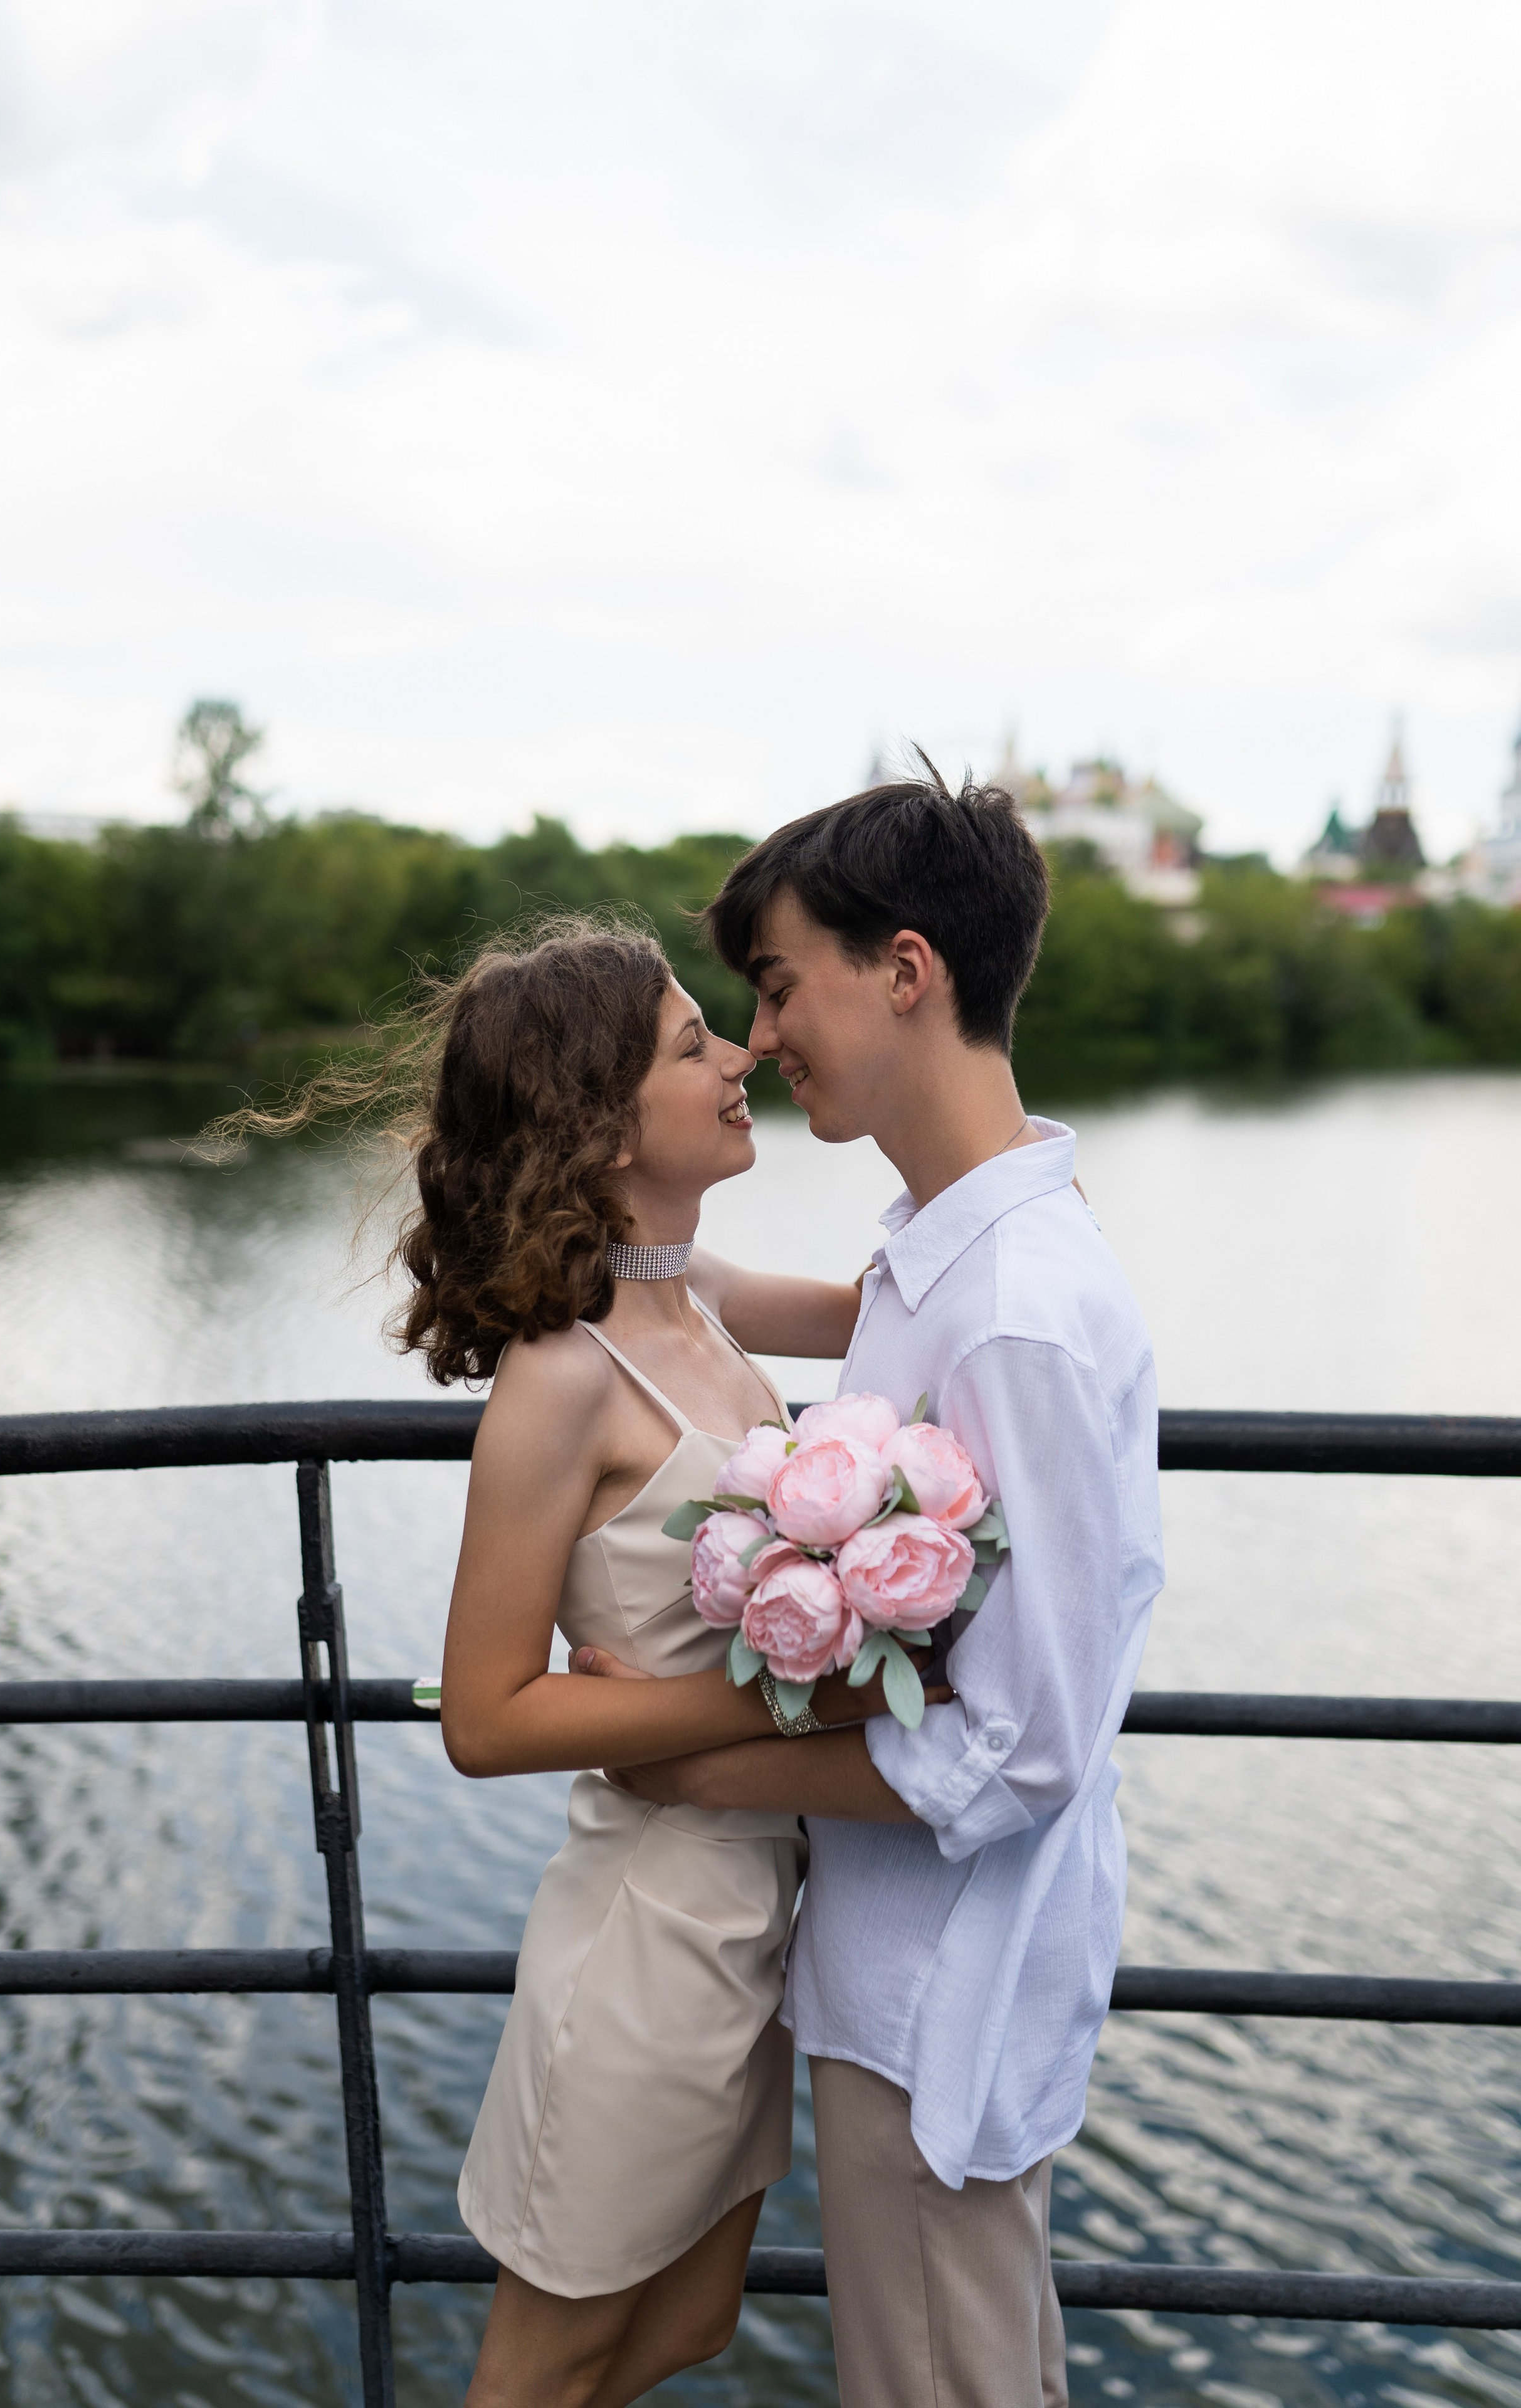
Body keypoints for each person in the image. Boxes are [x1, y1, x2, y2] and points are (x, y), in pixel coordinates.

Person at [270, 921, 934, 2408]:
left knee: (692, 2321)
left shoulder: (690, 1290)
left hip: (757, 1917)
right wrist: (786, 1696)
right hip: (647, 1937)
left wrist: (1015, 1219)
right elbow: (485, 1717)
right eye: (693, 1044)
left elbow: (903, 1316)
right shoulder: (564, 1378)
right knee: (543, 2375)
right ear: (597, 1120)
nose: (742, 1054)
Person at [596, 764, 1166, 2408]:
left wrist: (700, 1760)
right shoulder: (956, 1245)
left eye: (779, 988)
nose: (762, 1040)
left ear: (905, 970)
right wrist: (617, 1235)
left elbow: (1024, 1747)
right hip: (911, 1963)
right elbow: (806, 1300)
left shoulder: (1014, 1309)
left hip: (947, 1996)